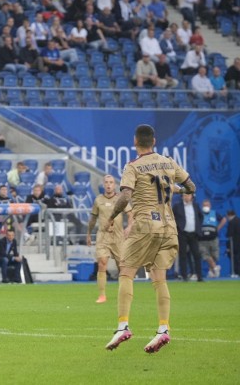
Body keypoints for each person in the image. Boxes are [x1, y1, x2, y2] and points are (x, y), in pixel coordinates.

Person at [104, 124, 195, 353]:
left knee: (126, 269)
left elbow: (125, 196)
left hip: (145, 224)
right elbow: (190, 186)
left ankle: (123, 325)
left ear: (135, 141)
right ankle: (163, 328)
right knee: (159, 278)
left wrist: (112, 216)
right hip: (169, 226)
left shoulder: (133, 166)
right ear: (153, 141)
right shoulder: (168, 161)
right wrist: (176, 190)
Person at [86, 175, 133, 303]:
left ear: (114, 185)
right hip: (103, 235)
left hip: (118, 237)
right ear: (103, 184)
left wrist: (129, 227)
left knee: (122, 267)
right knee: (102, 263)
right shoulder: (98, 200)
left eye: (111, 182)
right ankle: (102, 295)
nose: (108, 185)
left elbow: (130, 215)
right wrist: (89, 234)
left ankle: (124, 294)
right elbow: (93, 218)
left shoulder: (121, 200)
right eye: (106, 182)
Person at [173, 193, 204, 282]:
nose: (187, 197)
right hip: (182, 233)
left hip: (193, 234)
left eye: (188, 195)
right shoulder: (177, 206)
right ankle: (184, 276)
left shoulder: (196, 205)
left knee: (197, 255)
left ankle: (199, 277)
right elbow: (172, 217)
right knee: (182, 255)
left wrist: (198, 227)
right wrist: (178, 228)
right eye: (185, 195)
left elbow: (201, 216)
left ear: (192, 196)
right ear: (182, 196)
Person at [199, 199, 225, 278]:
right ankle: (215, 267)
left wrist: (217, 229)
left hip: (213, 238)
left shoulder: (214, 213)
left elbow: (223, 220)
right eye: (204, 205)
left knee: (214, 256)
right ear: (202, 206)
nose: (205, 207)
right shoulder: (199, 214)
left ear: (210, 206)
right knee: (205, 254)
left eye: (207, 205)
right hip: (202, 239)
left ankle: (211, 271)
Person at [227, 210, 240, 276]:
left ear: (229, 215)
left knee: (234, 258)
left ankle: (236, 272)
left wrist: (228, 246)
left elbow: (230, 234)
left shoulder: (232, 222)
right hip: (238, 243)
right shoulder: (238, 220)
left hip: (234, 243)